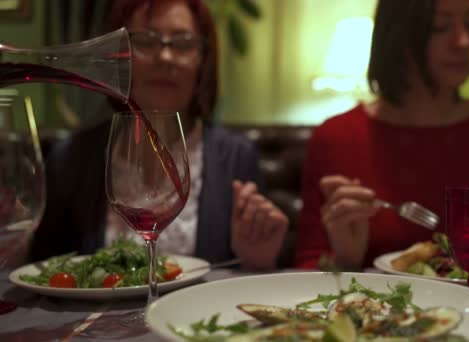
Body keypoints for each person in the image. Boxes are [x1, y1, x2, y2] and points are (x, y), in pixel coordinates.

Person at [31, 0, 288, 270]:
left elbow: (247, 281)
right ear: (119, 55)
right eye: (146, 40)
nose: (165, 57)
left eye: (183, 43)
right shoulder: (72, 156)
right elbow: (44, 271)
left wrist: (257, 258)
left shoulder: (236, 157)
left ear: (203, 60)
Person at [295, 0, 469, 270]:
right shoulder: (336, 137)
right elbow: (308, 264)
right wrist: (346, 259)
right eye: (439, 27)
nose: (464, 41)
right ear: (398, 34)